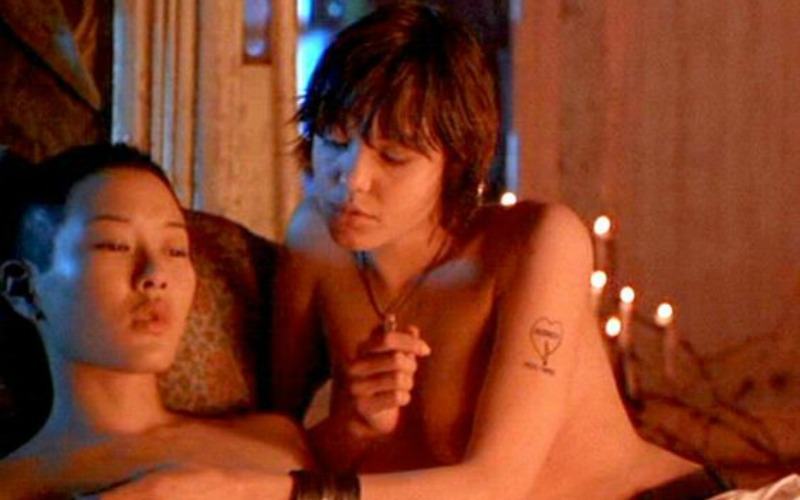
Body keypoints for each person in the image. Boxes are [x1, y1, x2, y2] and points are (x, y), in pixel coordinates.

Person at [268, 2, 725, 498]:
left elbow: (498, 485)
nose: (353, 179)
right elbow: (276, 437)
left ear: (456, 162)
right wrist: (352, 427)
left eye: (394, 157)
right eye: (334, 141)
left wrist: (274, 493)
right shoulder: (315, 244)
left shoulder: (535, 243)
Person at [0, 144, 311, 499]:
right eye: (114, 245)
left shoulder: (277, 439)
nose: (156, 274)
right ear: (23, 288)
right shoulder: (16, 485)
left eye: (175, 250)